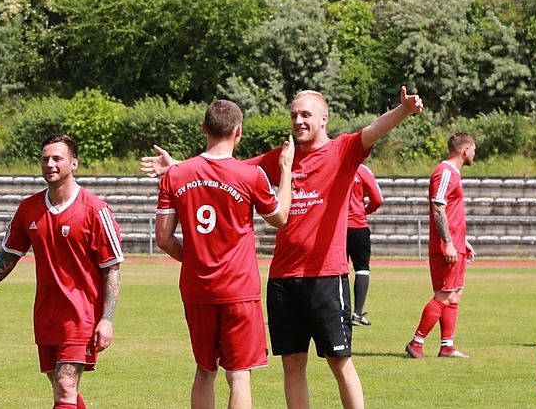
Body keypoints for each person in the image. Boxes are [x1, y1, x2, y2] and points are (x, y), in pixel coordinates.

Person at [143, 86, 424, 409]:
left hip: (325, 275)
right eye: (294, 115)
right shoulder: (281, 157)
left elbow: (374, 129)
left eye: (306, 115)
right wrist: (177, 166)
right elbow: (225, 167)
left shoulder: (342, 150)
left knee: (339, 360)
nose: (298, 121)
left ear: (324, 118)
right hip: (283, 278)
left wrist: (404, 110)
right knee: (291, 362)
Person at [0, 134, 123, 409]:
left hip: (81, 315)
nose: (50, 164)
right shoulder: (28, 209)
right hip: (46, 314)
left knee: (65, 386)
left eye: (57, 158)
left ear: (74, 163)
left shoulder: (95, 210)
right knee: (61, 385)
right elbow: (7, 256)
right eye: (45, 159)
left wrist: (107, 319)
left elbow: (111, 268)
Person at [154, 100, 295, 409]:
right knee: (239, 374)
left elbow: (163, 238)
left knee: (205, 370)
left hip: (197, 288)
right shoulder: (251, 175)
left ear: (204, 128)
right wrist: (285, 172)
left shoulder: (175, 175)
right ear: (238, 132)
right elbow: (280, 217)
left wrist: (196, 260)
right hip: (238, 289)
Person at [405, 132, 476, 359]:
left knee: (455, 294)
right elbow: (438, 208)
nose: (474, 154)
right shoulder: (445, 172)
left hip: (456, 242)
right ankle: (416, 343)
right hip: (446, 246)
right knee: (444, 295)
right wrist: (448, 243)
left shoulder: (453, 173)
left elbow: (452, 212)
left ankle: (447, 346)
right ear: (465, 150)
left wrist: (462, 240)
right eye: (473, 149)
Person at [347, 163, 383, 327]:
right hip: (358, 225)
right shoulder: (362, 170)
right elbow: (378, 199)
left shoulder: (333, 165)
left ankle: (339, 312)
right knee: (362, 269)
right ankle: (357, 314)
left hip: (336, 227)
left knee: (337, 269)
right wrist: (364, 210)